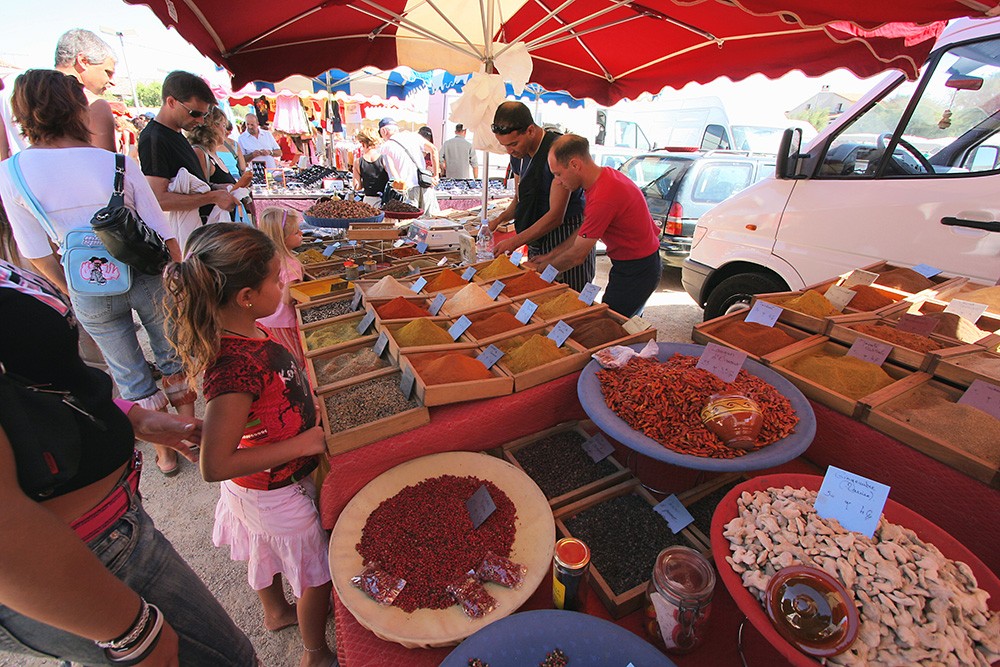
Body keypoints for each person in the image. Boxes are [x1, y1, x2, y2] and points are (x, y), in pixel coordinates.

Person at [0, 259, 257, 666]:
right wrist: (132, 635)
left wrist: (134, 418)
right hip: (76, 555)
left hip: (112, 529)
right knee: (229, 659)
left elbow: (51, 381)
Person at [0, 69, 196, 477]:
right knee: (171, 352)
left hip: (85, 285)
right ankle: (191, 427)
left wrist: (69, 287)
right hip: (146, 274)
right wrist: (177, 276)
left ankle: (164, 451)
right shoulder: (115, 162)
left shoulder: (11, 173)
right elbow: (160, 230)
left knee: (126, 369)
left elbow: (34, 250)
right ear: (77, 108)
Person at [163, 223, 335, 667]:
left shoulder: (246, 332)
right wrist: (305, 441)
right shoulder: (233, 364)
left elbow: (235, 422)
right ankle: (315, 652)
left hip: (259, 487)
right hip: (271, 489)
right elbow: (214, 465)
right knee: (315, 575)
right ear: (245, 296)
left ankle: (276, 611)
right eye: (276, 278)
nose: (283, 284)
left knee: (261, 548)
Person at [527, 134, 661, 317]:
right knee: (621, 321)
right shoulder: (603, 177)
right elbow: (584, 232)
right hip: (631, 264)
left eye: (558, 174)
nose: (557, 181)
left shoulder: (603, 197)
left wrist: (541, 270)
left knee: (611, 324)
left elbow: (576, 256)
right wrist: (550, 256)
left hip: (638, 269)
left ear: (575, 165)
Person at [488, 102, 594, 291]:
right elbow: (520, 198)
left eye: (513, 144)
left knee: (568, 297)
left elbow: (556, 216)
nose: (509, 151)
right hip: (536, 238)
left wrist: (514, 241)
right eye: (504, 146)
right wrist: (498, 220)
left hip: (565, 236)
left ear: (530, 130)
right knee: (540, 294)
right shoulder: (517, 155)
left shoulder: (556, 152)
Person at [138, 70, 237, 250]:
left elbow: (191, 182)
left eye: (204, 115)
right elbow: (158, 199)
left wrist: (216, 187)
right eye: (195, 113)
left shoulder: (177, 134)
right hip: (186, 240)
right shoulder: (154, 138)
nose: (200, 121)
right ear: (171, 102)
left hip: (200, 235)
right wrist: (212, 197)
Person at [255, 207, 307, 365]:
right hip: (284, 322)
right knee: (294, 360)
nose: (302, 234)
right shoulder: (291, 265)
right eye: (296, 232)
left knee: (273, 358)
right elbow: (287, 299)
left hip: (265, 320)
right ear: (282, 238)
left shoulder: (265, 259)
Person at [53, 29, 118, 153]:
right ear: (83, 61)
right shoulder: (94, 105)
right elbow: (105, 166)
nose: (112, 81)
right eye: (107, 72)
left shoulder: (15, 96)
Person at [186, 106, 253, 222]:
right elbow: (199, 189)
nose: (225, 131)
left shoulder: (213, 154)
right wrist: (219, 188)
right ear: (213, 127)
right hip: (213, 222)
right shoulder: (200, 153)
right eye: (223, 125)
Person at [379, 117, 439, 214]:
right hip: (425, 184)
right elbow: (434, 150)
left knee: (409, 223)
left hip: (407, 189)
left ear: (384, 131)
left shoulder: (386, 147)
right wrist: (436, 175)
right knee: (431, 222)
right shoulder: (413, 136)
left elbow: (392, 174)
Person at [352, 128, 390, 206]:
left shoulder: (357, 162)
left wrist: (367, 181)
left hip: (368, 201)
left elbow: (357, 186)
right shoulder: (385, 159)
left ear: (362, 143)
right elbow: (394, 179)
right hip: (384, 200)